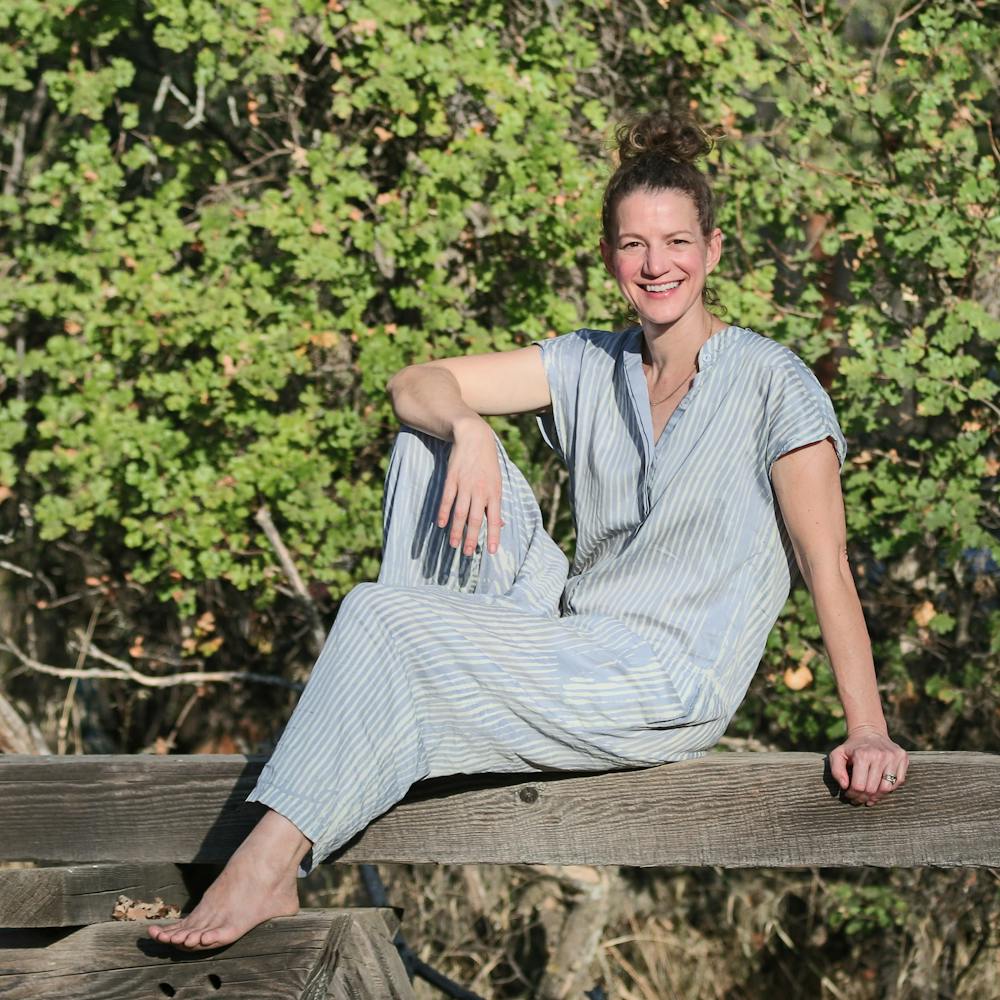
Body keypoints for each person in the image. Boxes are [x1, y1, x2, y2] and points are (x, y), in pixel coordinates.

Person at [148, 110, 909, 951]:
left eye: (677, 243)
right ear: (609, 256)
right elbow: (415, 381)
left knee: (376, 614)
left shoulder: (774, 384)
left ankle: (267, 863)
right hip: (568, 638)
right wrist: (471, 431)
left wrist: (867, 727)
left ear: (714, 251)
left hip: (666, 680)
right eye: (633, 245)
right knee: (425, 441)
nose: (657, 266)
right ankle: (405, 718)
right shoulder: (590, 361)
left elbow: (826, 567)